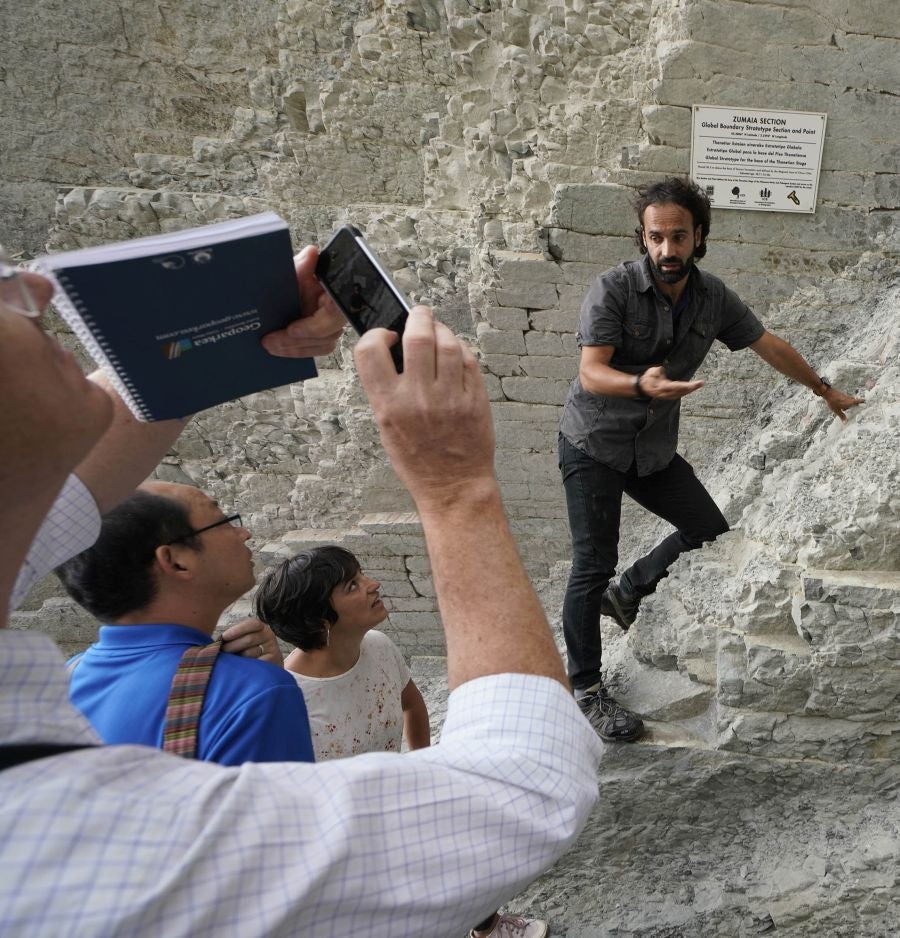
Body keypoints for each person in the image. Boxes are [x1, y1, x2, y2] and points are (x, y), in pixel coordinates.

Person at [0, 253, 601, 935]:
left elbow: (60, 484)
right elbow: (527, 784)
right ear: (175, 561)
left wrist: (236, 326)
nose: (37, 286)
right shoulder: (90, 838)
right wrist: (456, 487)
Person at [559, 176, 864, 743]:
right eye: (656, 238)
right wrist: (642, 384)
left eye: (679, 237)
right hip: (593, 444)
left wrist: (824, 390)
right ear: (642, 239)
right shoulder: (613, 289)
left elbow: (767, 344)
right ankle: (588, 691)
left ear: (700, 236)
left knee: (707, 529)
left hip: (651, 451)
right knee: (589, 564)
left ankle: (628, 591)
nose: (667, 251)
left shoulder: (712, 297)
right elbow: (590, 372)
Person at [256, 546, 550, 938]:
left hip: (394, 793)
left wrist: (424, 765)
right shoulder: (292, 698)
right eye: (352, 585)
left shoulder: (377, 646)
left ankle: (488, 926)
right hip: (346, 836)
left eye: (361, 576)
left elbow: (411, 703)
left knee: (462, 850)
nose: (372, 584)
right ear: (320, 618)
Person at [55, 482, 316, 765]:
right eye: (225, 523)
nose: (244, 533)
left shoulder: (60, 685)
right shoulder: (252, 695)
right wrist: (247, 681)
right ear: (177, 561)